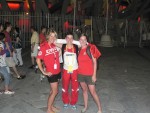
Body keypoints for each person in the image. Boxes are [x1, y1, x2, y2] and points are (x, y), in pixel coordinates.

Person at [36, 29, 61, 113]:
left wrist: (59, 48)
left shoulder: (54, 45)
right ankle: (49, 109)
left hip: (57, 71)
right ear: (47, 36)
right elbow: (38, 60)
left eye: (54, 36)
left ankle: (51, 106)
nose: (52, 38)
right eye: (51, 35)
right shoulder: (44, 46)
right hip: (51, 73)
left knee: (52, 91)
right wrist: (43, 71)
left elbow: (57, 56)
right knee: (55, 91)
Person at [78, 34, 102, 113]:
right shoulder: (79, 49)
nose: (83, 41)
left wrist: (94, 75)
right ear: (79, 41)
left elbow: (95, 62)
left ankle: (99, 109)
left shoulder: (90, 49)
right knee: (84, 91)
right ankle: (85, 107)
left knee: (93, 92)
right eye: (81, 39)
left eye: (84, 39)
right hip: (80, 74)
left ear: (86, 41)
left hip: (89, 74)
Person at [56, 32, 79, 110]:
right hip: (66, 70)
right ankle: (65, 102)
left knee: (75, 87)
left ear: (73, 39)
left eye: (71, 38)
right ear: (65, 39)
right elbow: (54, 41)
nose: (69, 39)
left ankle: (73, 103)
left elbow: (84, 43)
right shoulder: (62, 46)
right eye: (68, 38)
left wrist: (74, 41)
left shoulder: (76, 47)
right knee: (65, 87)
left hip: (75, 70)